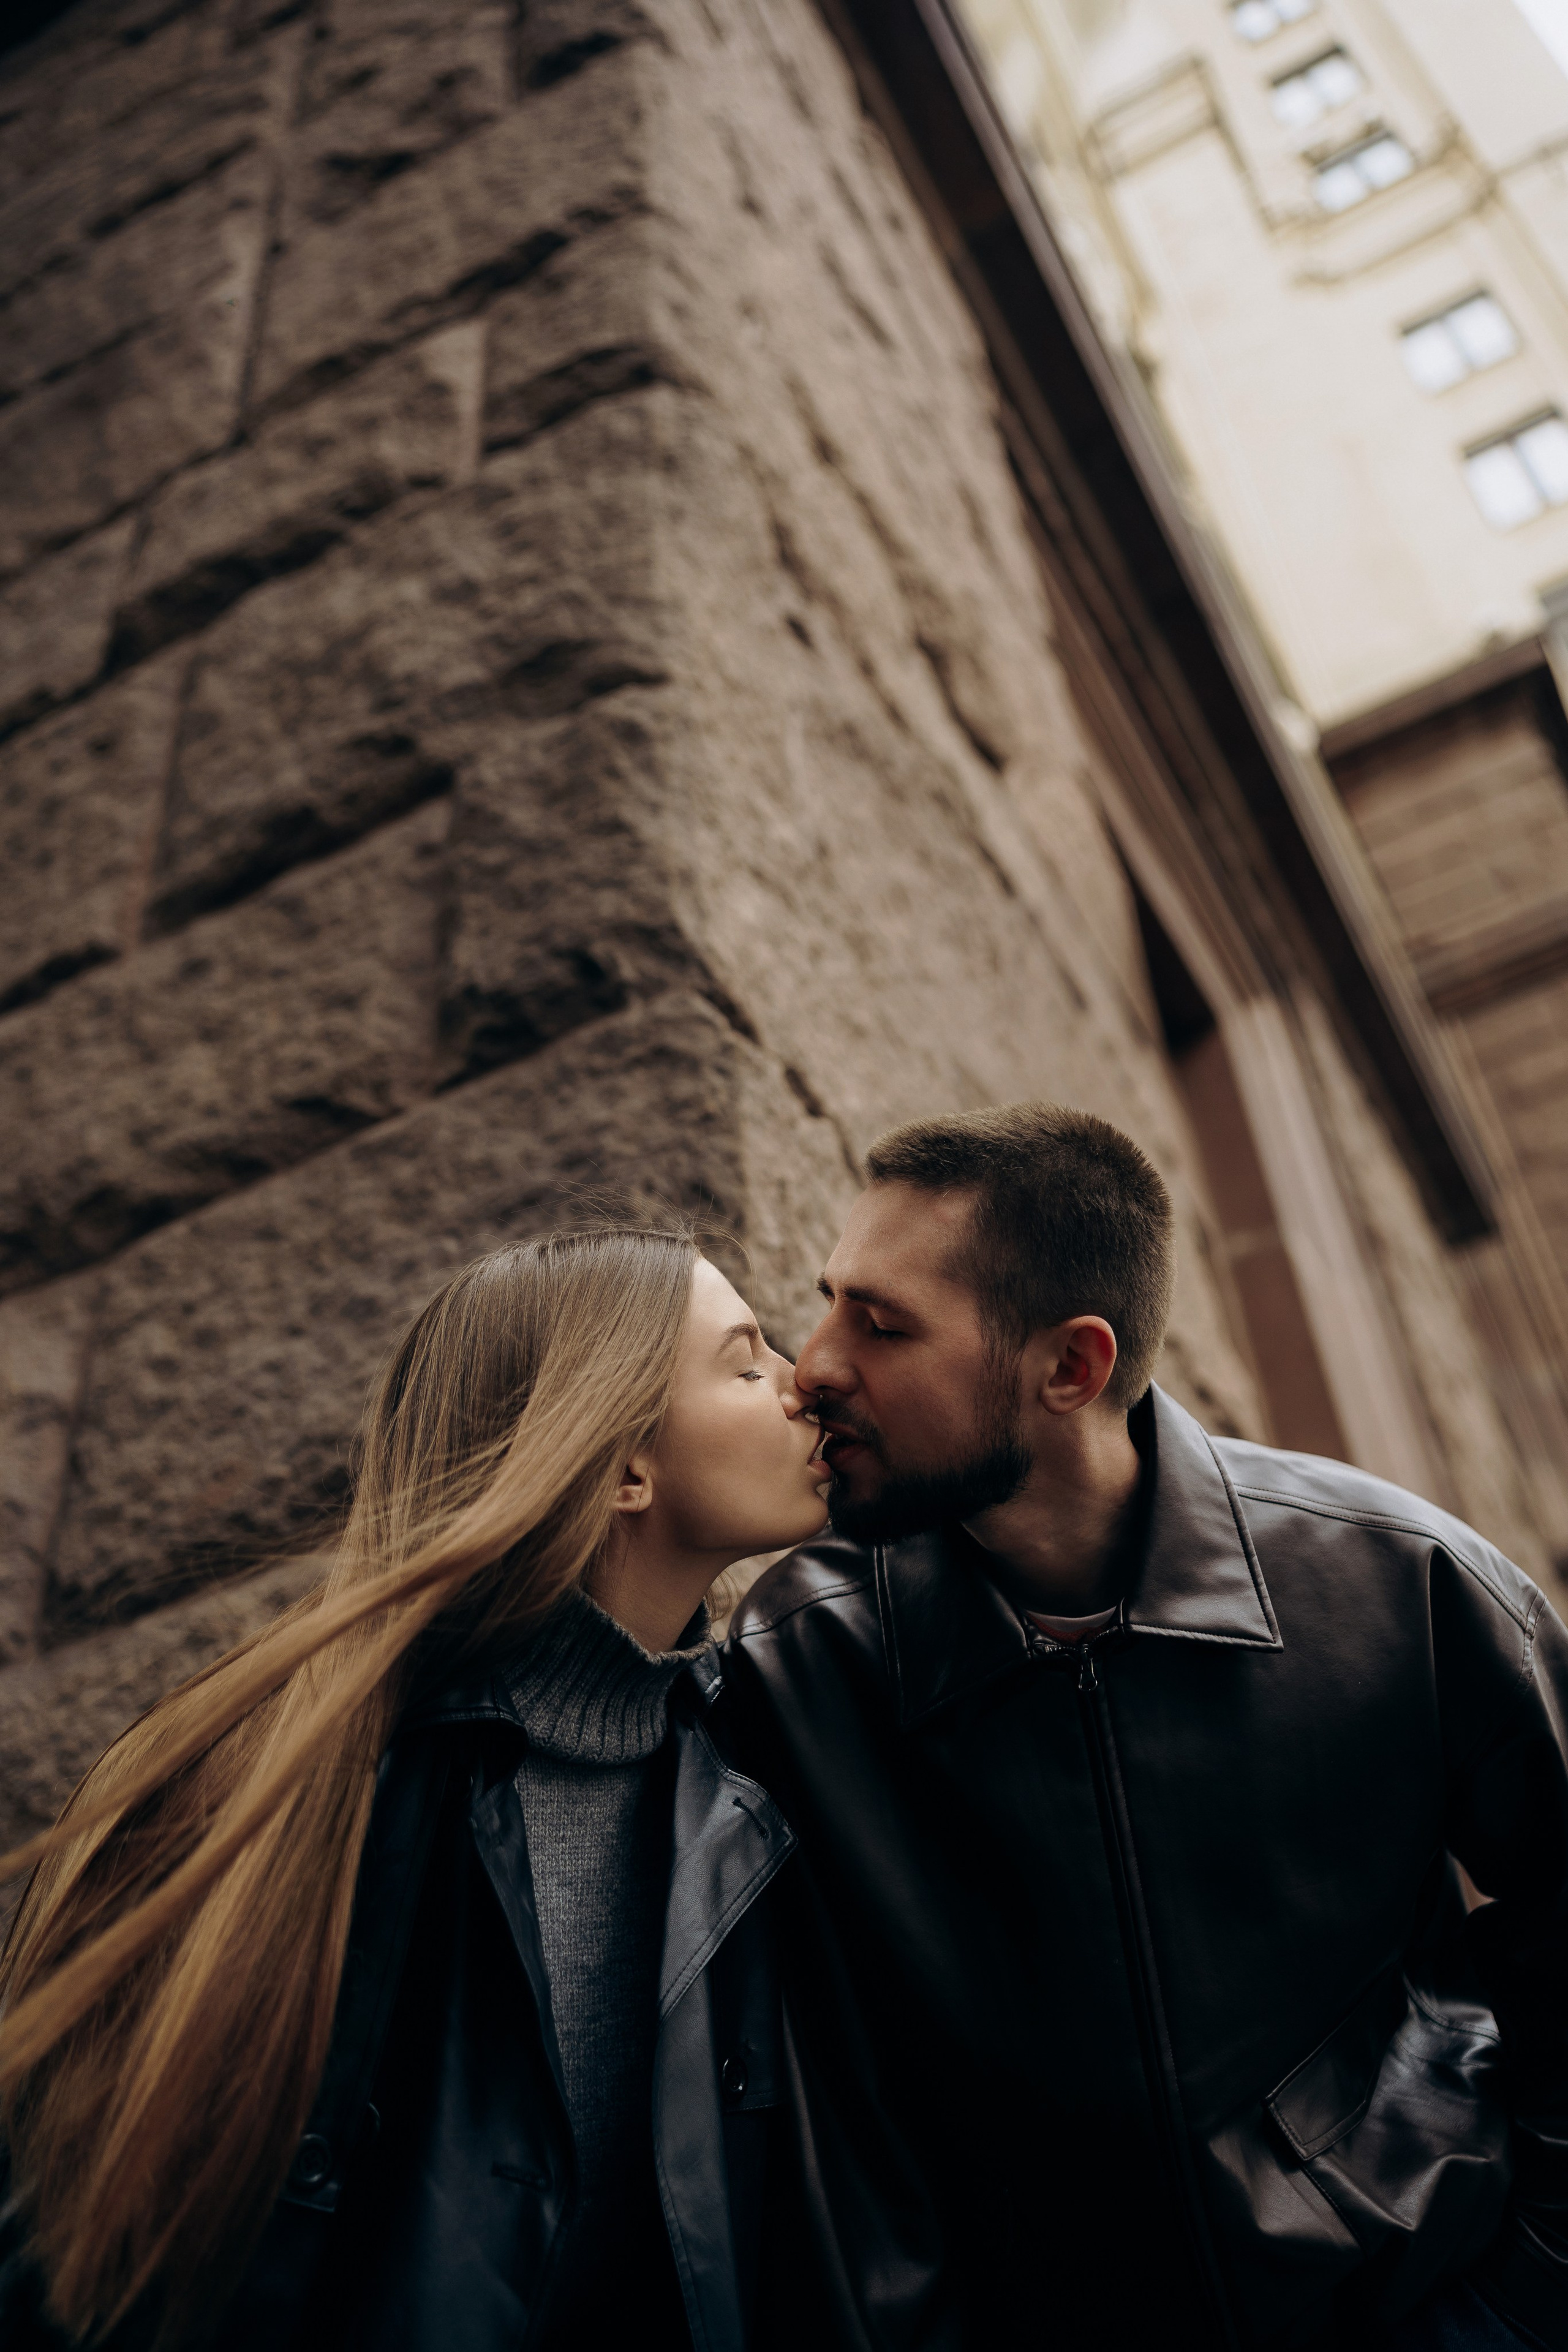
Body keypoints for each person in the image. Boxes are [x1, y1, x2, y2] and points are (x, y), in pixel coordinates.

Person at [726, 1104, 1568, 2352]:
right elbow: (825, 2120)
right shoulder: (804, 1661)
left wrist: (1523, 2290)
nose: (814, 1365)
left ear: (1067, 1367)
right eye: (830, 1300)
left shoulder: (1403, 1584)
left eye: (880, 1323)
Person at [0, 1226, 829, 2352]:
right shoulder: (283, 1776)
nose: (805, 1380)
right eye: (746, 1363)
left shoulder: (757, 1786)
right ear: (625, 1467)